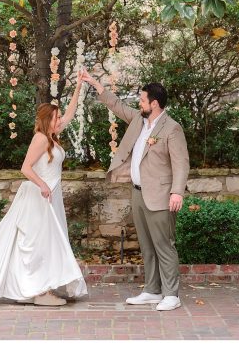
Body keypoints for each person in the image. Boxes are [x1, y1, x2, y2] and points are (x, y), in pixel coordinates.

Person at [0, 70, 88, 305]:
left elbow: (70, 114)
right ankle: (39, 291)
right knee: (39, 243)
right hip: (39, 196)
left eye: (58, 117)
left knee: (52, 241)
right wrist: (43, 186)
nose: (59, 120)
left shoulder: (53, 136)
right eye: (55, 117)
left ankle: (45, 287)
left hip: (51, 195)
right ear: (46, 119)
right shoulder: (41, 138)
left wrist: (79, 86)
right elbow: (26, 168)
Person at [81, 69, 189, 312]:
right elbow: (116, 105)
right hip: (138, 192)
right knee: (146, 245)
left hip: (161, 196)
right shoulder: (139, 121)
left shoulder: (172, 129)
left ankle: (172, 294)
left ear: (155, 103)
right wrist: (95, 84)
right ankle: (152, 290)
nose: (139, 103)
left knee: (164, 244)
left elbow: (181, 163)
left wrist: (177, 192)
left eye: (142, 100)